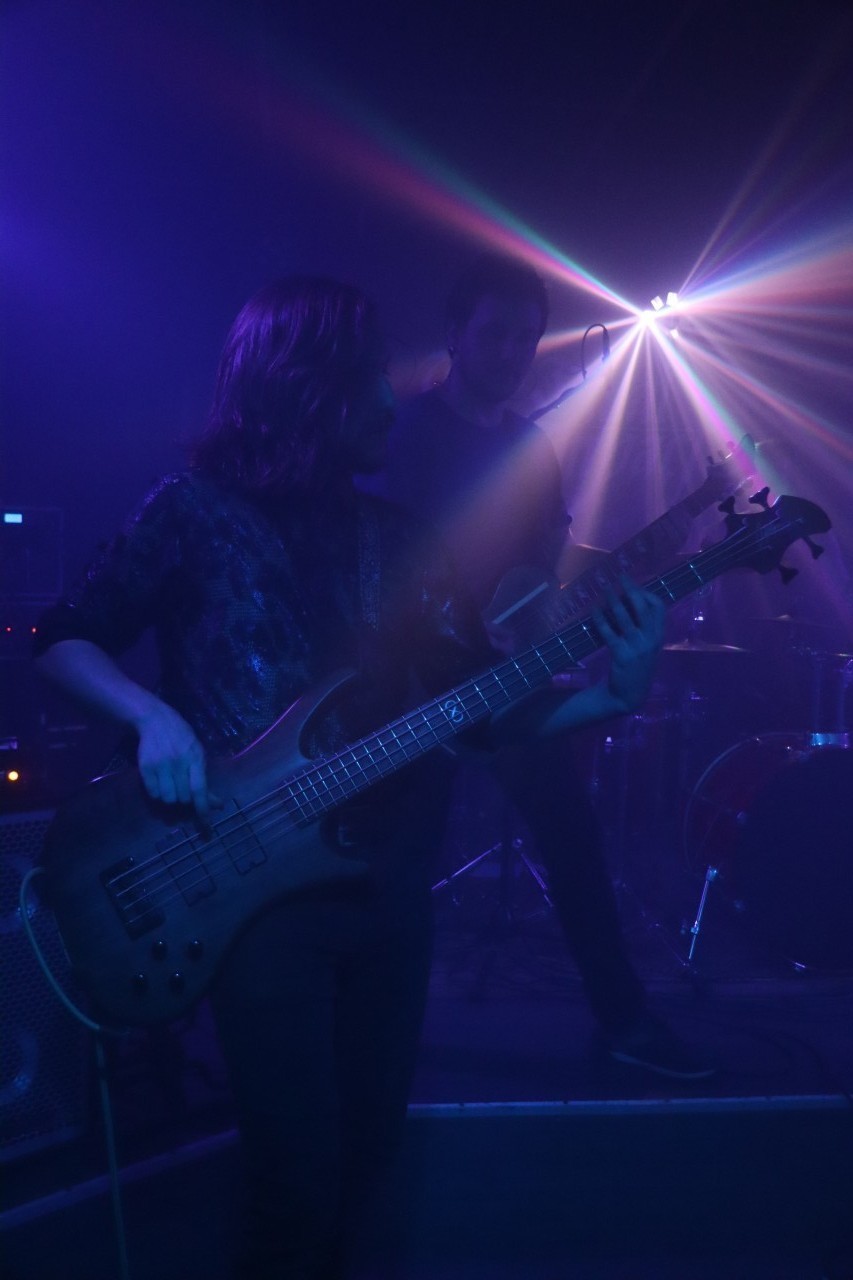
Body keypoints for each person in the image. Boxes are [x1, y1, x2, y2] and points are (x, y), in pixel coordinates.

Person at [33, 276, 665, 1279]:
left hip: (386, 891)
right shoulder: (193, 512)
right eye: (371, 375)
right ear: (309, 386)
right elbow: (63, 635)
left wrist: (612, 693)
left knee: (368, 1160)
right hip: (252, 900)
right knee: (296, 1180)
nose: (389, 397)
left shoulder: (398, 539)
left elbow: (478, 707)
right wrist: (151, 716)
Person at [372, 253, 715, 1080]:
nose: (510, 352)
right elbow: (368, 565)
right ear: (454, 332)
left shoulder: (531, 447)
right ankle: (374, 1042)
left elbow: (546, 562)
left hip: (502, 684)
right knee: (398, 866)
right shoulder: (401, 433)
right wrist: (442, 635)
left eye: (524, 338)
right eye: (494, 333)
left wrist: (618, 573)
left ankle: (624, 1021)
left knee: (572, 836)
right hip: (407, 692)